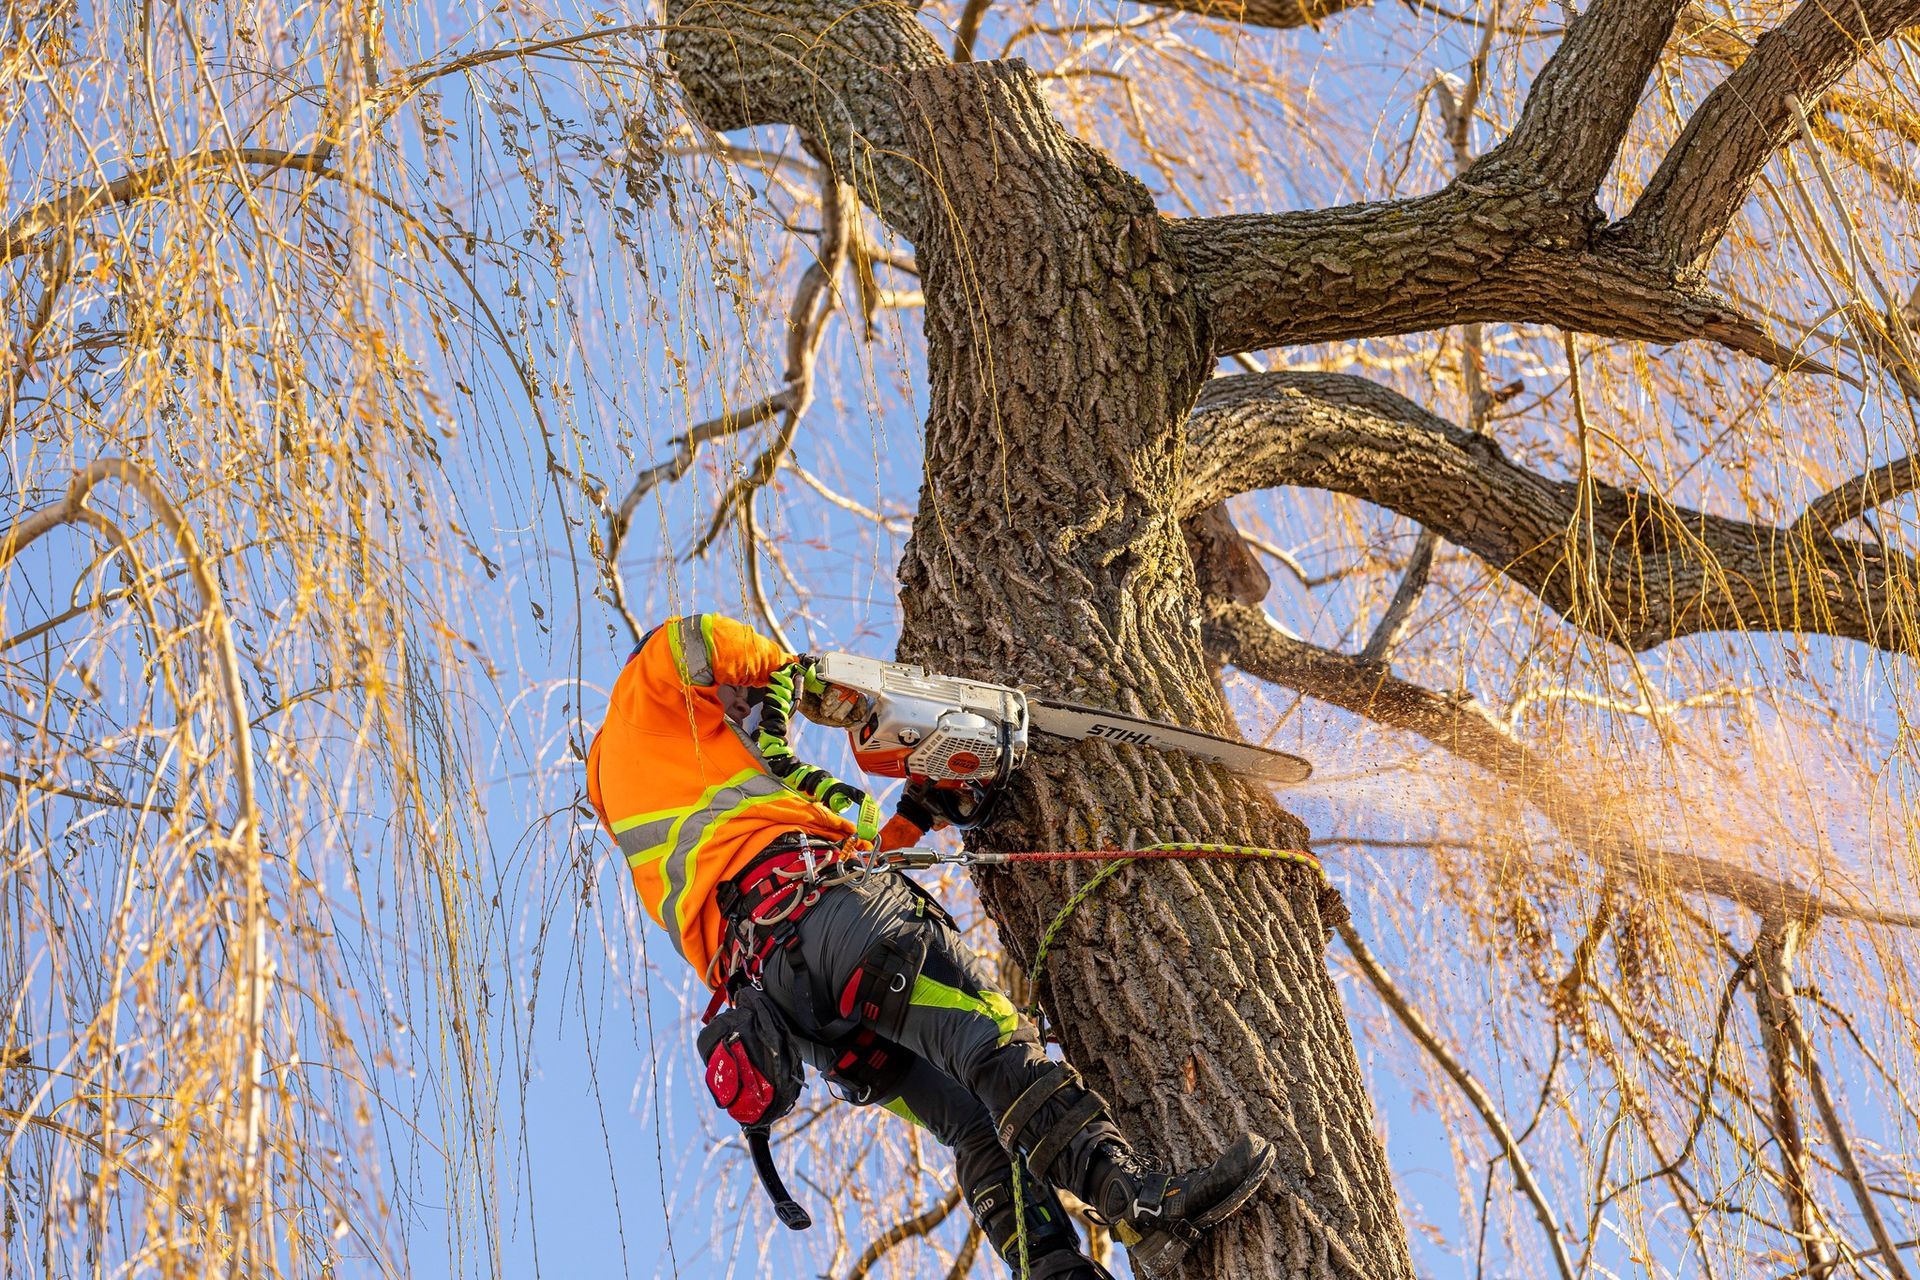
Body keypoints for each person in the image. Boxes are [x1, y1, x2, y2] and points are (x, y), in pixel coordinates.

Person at [586, 613, 1276, 1277]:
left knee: (976, 1125)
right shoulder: (648, 683)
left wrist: (916, 815)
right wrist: (791, 674)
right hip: (831, 925)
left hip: (789, 1006)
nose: (742, 711)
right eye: (732, 701)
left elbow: (819, 865)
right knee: (990, 1038)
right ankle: (1138, 1207)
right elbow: (701, 639)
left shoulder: (635, 787)